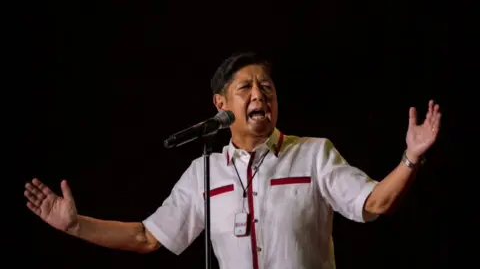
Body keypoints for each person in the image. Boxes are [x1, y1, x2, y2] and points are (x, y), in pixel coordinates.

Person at [24, 52, 441, 269]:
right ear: (221, 104)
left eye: (267, 86)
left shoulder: (313, 154)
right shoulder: (204, 171)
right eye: (246, 87)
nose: (260, 94)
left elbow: (375, 203)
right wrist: (77, 226)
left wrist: (410, 159)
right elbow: (146, 238)